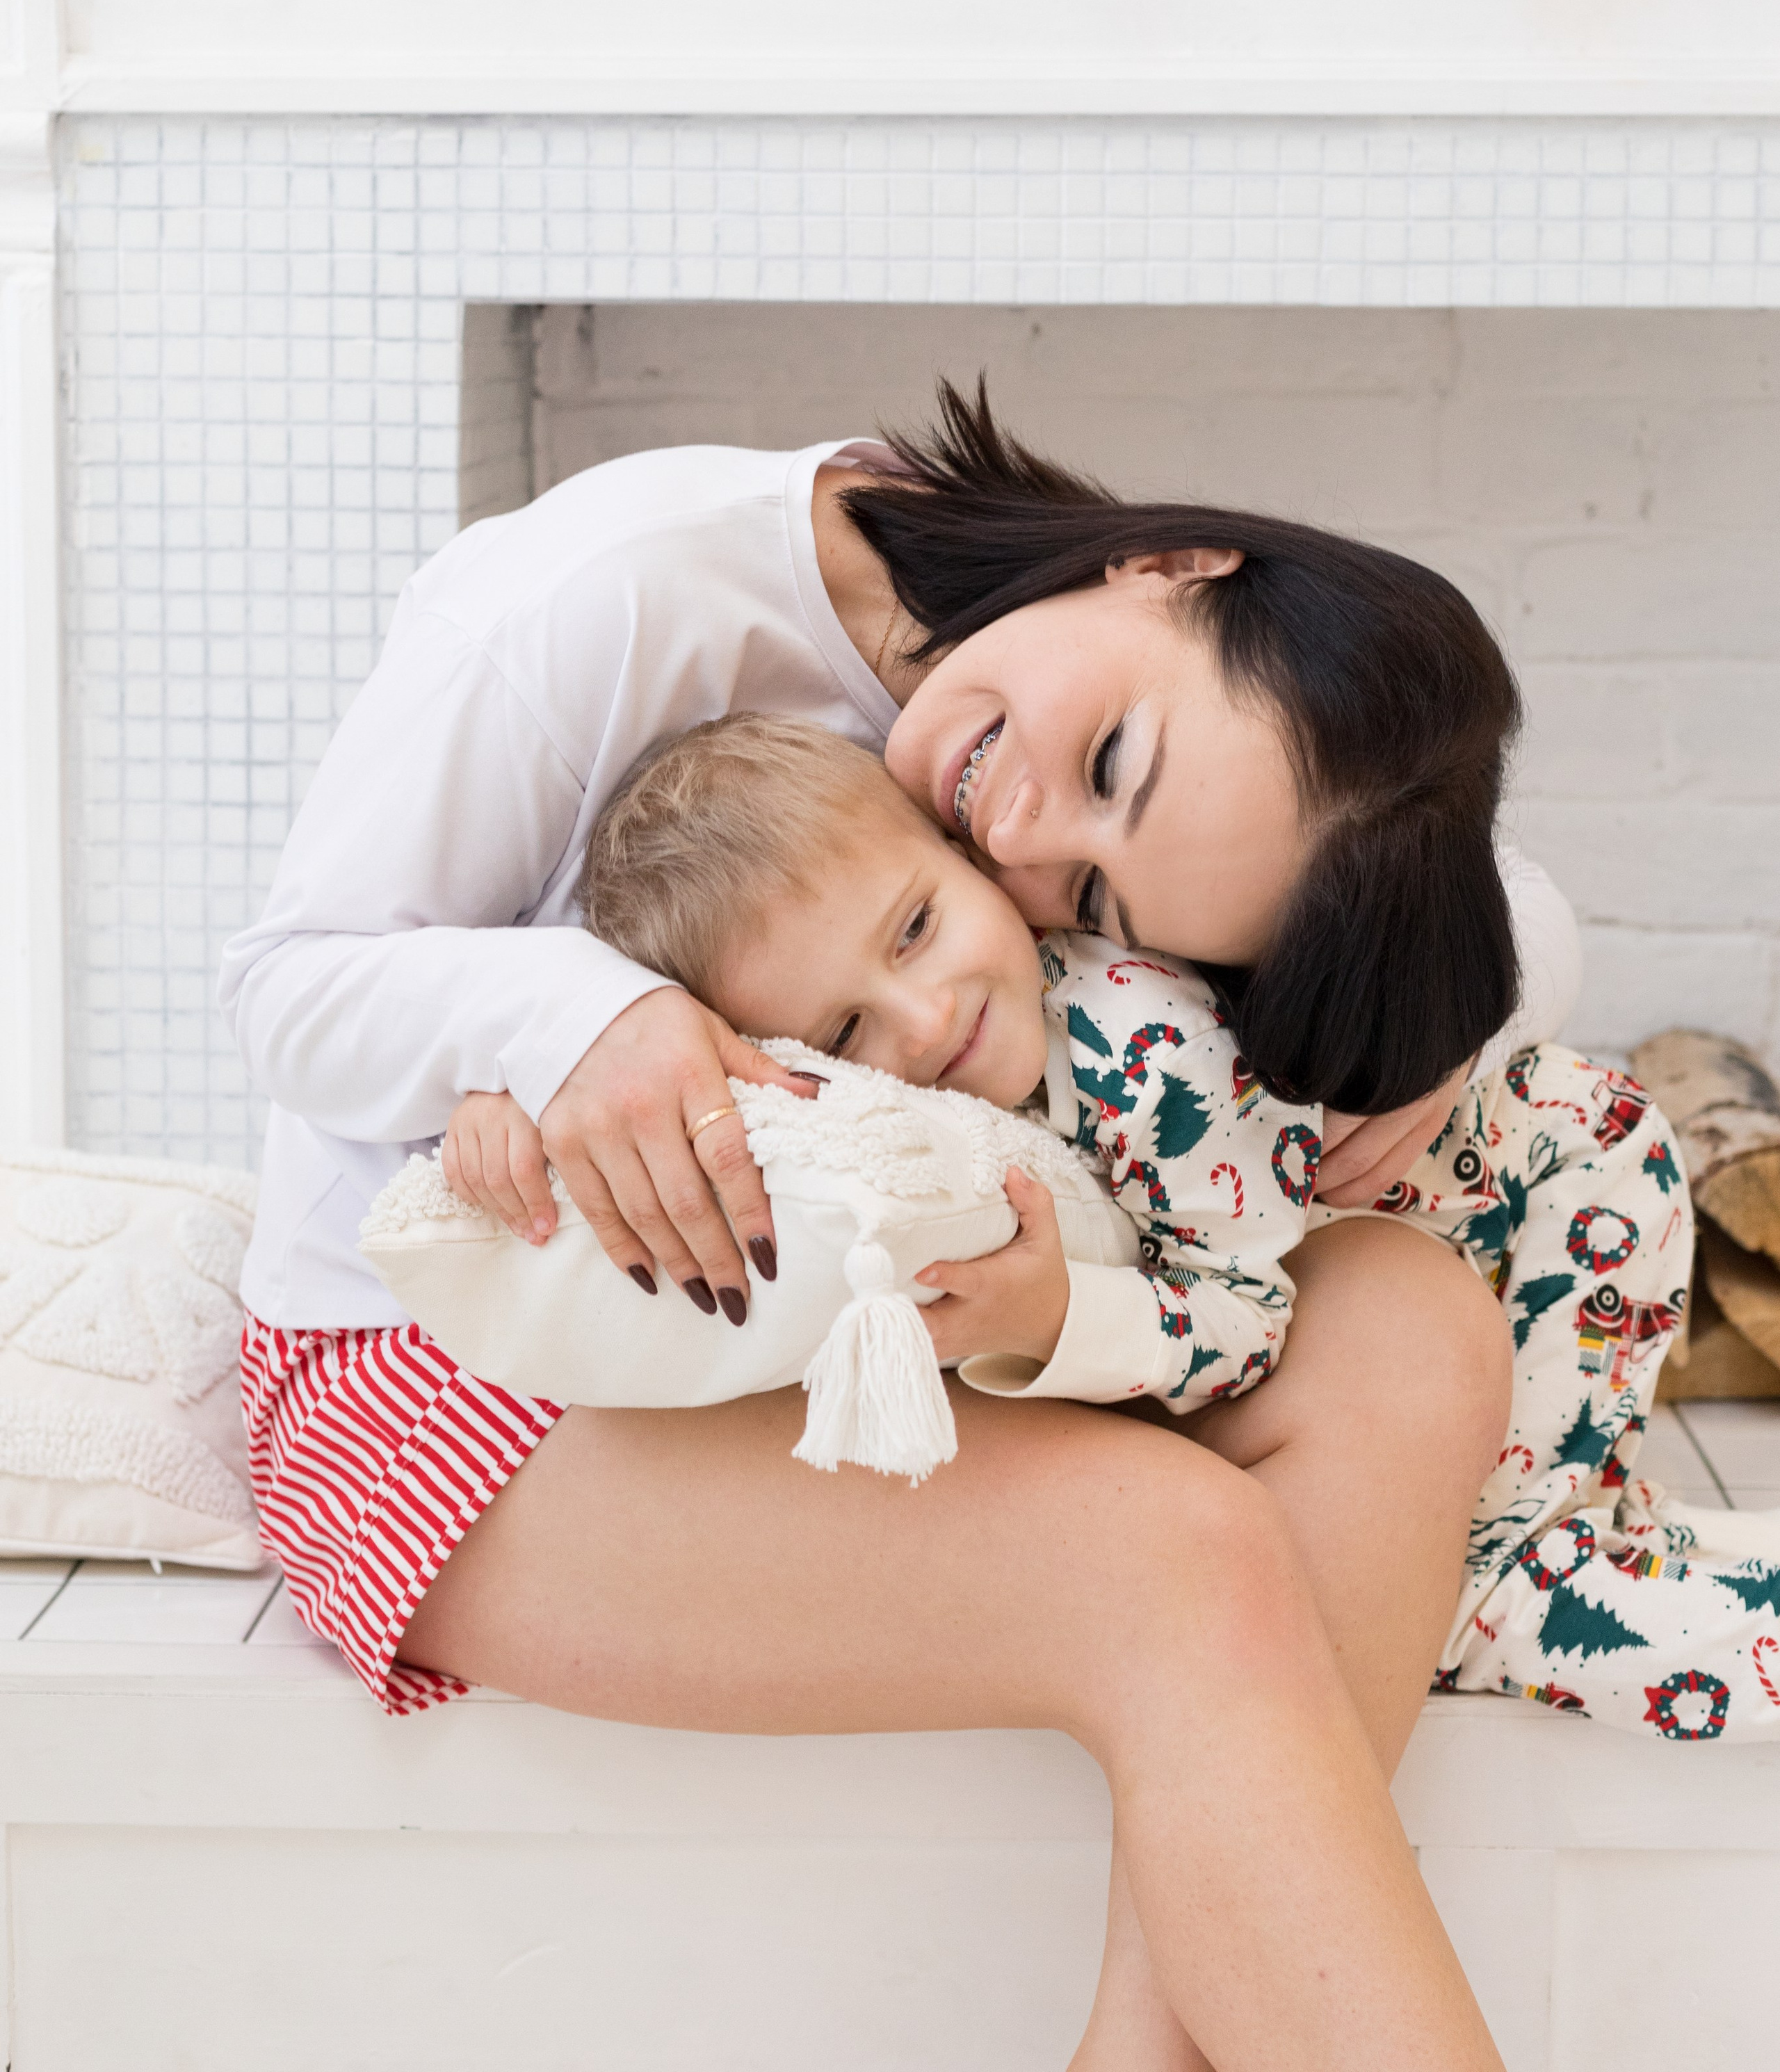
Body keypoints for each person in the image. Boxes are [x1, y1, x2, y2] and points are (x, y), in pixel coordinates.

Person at [224, 384, 1576, 2068]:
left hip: (890, 1307)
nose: (1017, 840)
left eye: (1091, 897)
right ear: (1167, 560)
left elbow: (1494, 898)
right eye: (1105, 765)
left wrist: (1434, 1025)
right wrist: (570, 1016)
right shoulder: (613, 592)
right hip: (469, 1370)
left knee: (1412, 1318)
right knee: (1174, 1554)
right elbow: (286, 988)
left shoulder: (1083, 675)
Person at [548, 711, 1779, 1747]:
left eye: (918, 928)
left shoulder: (1139, 1044)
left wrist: (1057, 1320)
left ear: (970, 856)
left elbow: (1245, 1320)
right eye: (847, 1036)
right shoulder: (952, 1092)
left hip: (1560, 1200)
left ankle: (1496, 1579)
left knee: (1533, 1567)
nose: (921, 1025)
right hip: (1399, 1269)